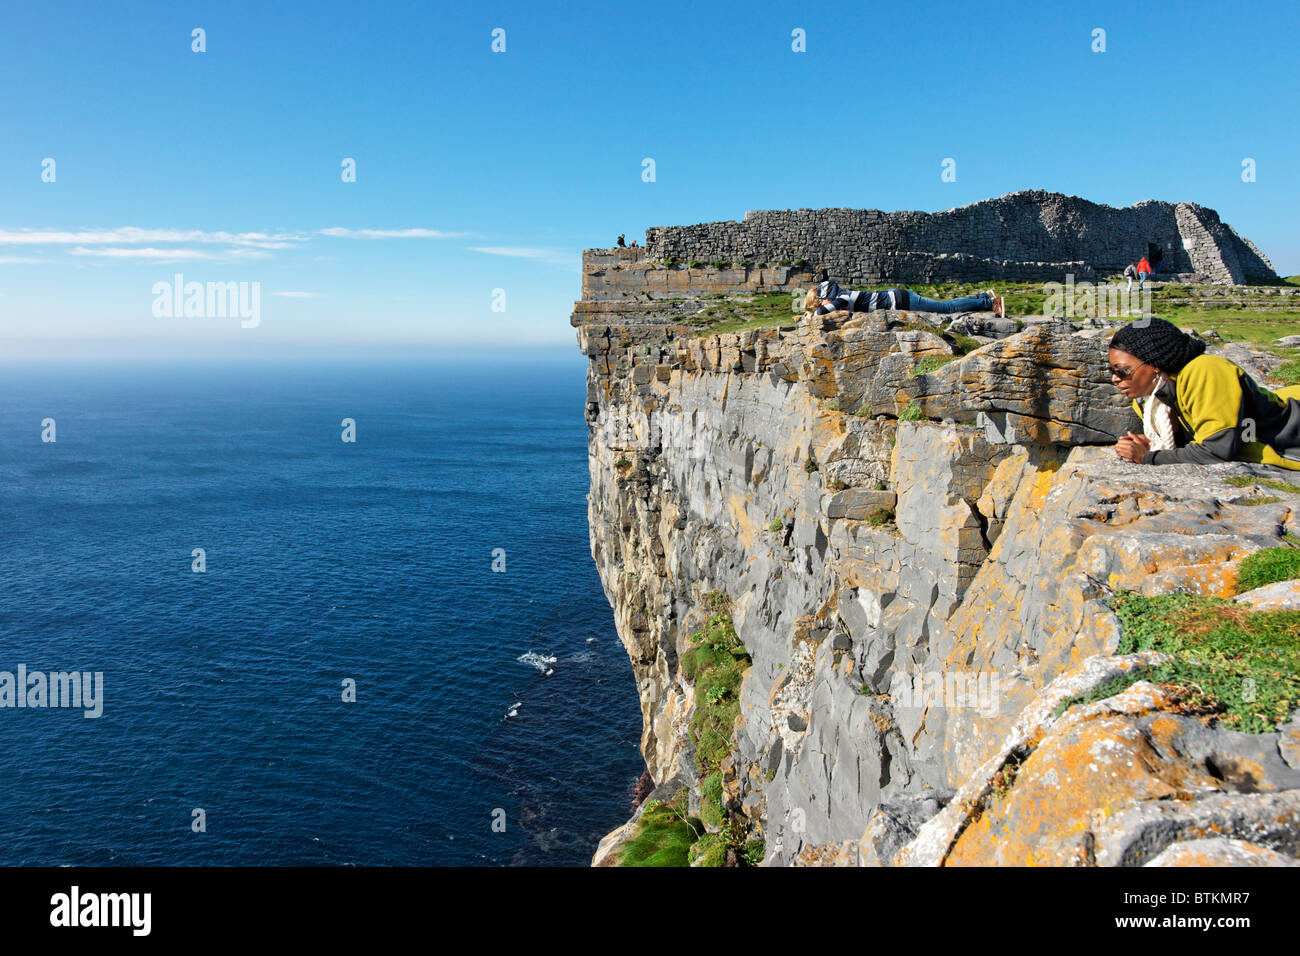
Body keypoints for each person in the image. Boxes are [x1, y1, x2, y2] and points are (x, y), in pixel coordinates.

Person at [1109, 317, 1300, 469]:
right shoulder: (1149, 401)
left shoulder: (1205, 371)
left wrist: (1148, 457)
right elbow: (1195, 440)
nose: (1115, 378)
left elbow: (1217, 450)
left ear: (1155, 364)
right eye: (1112, 371)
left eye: (1122, 370)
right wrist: (1152, 442)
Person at [803, 280, 1004, 319]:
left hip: (902, 301)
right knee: (946, 306)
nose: (823, 306)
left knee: (947, 308)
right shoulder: (841, 295)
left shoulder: (843, 297)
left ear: (824, 297)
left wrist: (813, 315)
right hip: (899, 298)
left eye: (820, 302)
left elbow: (827, 310)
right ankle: (983, 297)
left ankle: (991, 304)